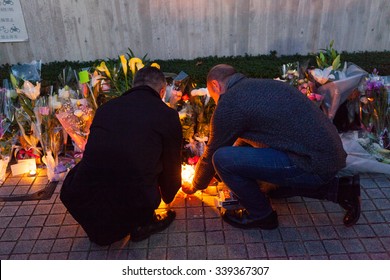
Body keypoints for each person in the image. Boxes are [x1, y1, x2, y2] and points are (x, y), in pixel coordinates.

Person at [182, 64, 360, 229]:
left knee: (221, 159)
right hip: (328, 156)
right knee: (269, 188)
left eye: (213, 96)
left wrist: (196, 184)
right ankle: (343, 190)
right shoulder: (260, 86)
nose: (215, 102)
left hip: (311, 161)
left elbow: (214, 151)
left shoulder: (230, 102)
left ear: (215, 85)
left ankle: (262, 216)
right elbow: (248, 136)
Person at [60, 66, 183, 245]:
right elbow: (172, 162)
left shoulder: (106, 108)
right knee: (141, 170)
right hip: (134, 197)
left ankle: (111, 228)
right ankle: (142, 223)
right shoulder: (167, 115)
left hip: (82, 191)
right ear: (162, 91)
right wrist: (168, 194)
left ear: (133, 86)